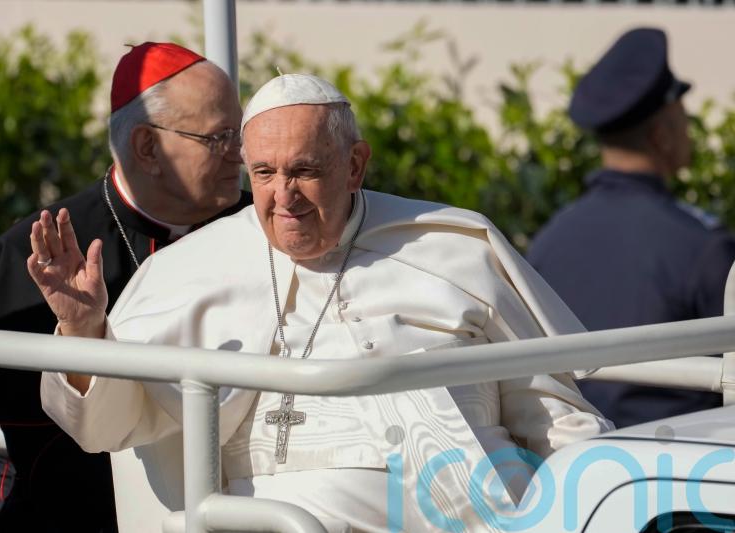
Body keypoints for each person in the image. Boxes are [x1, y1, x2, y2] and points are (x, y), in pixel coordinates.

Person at [34, 74, 612, 532]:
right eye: (263, 173)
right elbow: (105, 426)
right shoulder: (187, 272)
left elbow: (549, 412)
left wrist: (599, 493)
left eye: (305, 171)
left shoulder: (451, 246)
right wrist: (84, 333)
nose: (283, 197)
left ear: (355, 164)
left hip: (480, 509)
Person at [0, 42, 250, 532]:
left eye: (241, 134)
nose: (240, 154)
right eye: (219, 138)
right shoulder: (33, 254)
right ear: (148, 147)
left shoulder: (264, 232)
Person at [527, 27, 735, 428]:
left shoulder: (551, 240)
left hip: (572, 471)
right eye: (683, 117)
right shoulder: (703, 248)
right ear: (662, 136)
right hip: (678, 474)